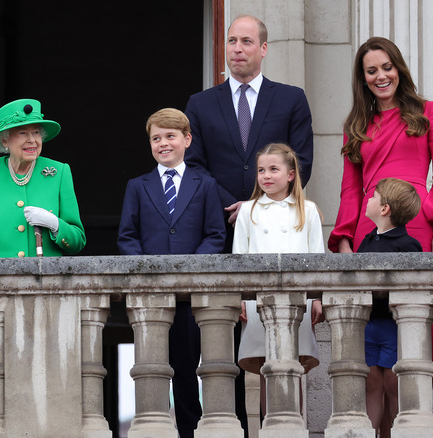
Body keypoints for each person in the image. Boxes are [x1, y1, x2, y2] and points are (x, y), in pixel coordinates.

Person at [184, 15, 314, 433]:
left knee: (279, 345)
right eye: (231, 41)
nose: (237, 48)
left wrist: (258, 203)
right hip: (219, 234)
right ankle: (231, 427)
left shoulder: (291, 99)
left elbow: (302, 162)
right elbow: (196, 166)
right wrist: (236, 207)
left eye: (246, 41)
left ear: (264, 48)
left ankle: (282, 425)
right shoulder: (201, 104)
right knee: (219, 344)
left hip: (275, 233)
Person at [328, 36, 433, 387]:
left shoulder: (429, 111)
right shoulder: (355, 126)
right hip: (368, 231)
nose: (381, 76)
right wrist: (344, 238)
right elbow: (349, 189)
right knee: (372, 350)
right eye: (371, 71)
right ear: (363, 78)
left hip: (416, 225)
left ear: (398, 69)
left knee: (413, 338)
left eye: (386, 68)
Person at [0, 98, 86, 427]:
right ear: (5, 141)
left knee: (48, 394)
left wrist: (55, 224)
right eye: (22, 133)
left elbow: (77, 239)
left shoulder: (58, 172)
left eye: (37, 132)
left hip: (46, 304)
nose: (32, 140)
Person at [117, 108, 227, 438]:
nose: (163, 143)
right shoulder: (137, 186)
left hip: (189, 296)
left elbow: (215, 235)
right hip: (151, 297)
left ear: (187, 140)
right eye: (156, 138)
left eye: (170, 136)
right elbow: (127, 235)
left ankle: (190, 431)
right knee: (150, 369)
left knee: (187, 369)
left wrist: (189, 269)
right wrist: (147, 272)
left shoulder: (205, 185)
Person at [233, 143, 324, 416]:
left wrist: (317, 297)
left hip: (298, 300)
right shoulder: (248, 211)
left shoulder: (307, 210)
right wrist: (239, 298)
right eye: (261, 170)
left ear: (291, 174)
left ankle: (292, 426)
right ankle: (269, 426)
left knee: (291, 366)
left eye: (274, 169)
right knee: (265, 368)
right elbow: (239, 258)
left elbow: (318, 257)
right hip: (257, 301)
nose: (266, 176)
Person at [357, 177, 422, 437]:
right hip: (369, 325)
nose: (369, 200)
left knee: (393, 385)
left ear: (384, 209)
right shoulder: (367, 241)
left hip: (394, 327)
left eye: (373, 196)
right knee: (371, 384)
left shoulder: (408, 246)